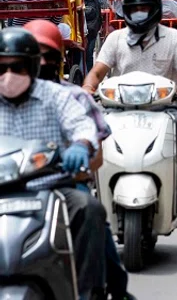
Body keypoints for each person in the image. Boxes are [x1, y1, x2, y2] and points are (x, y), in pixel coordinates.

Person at [24, 20, 134, 300]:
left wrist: (79, 158)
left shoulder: (73, 97)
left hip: (63, 185)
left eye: (49, 56)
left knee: (90, 211)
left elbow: (95, 154)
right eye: (36, 56)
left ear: (59, 59)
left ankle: (98, 289)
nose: (43, 63)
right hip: (15, 189)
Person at [0, 28, 107, 299]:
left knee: (88, 209)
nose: (8, 75)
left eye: (17, 67)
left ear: (33, 66)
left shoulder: (57, 95)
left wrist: (81, 145)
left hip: (52, 187)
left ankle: (86, 292)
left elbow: (81, 124)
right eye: (2, 67)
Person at [83, 0, 177, 221]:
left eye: (145, 8)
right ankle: (90, 189)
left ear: (156, 10)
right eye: (134, 9)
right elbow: (97, 72)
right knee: (89, 132)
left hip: (162, 108)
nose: (140, 14)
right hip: (117, 109)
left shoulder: (173, 38)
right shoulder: (115, 38)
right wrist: (87, 88)